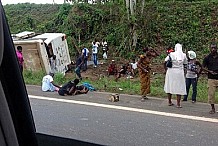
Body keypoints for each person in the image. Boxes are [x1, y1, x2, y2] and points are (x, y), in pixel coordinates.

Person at [164, 43, 188, 108]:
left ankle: (169, 101)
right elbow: (185, 63)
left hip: (171, 71)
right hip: (179, 72)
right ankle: (178, 104)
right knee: (179, 87)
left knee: (169, 85)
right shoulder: (184, 55)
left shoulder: (171, 54)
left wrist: (165, 70)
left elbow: (165, 61)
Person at [202, 43, 218, 114]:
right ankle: (213, 108)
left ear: (217, 48)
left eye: (214, 48)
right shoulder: (207, 58)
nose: (213, 49)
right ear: (210, 49)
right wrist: (209, 71)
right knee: (211, 94)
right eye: (212, 48)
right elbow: (202, 67)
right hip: (211, 78)